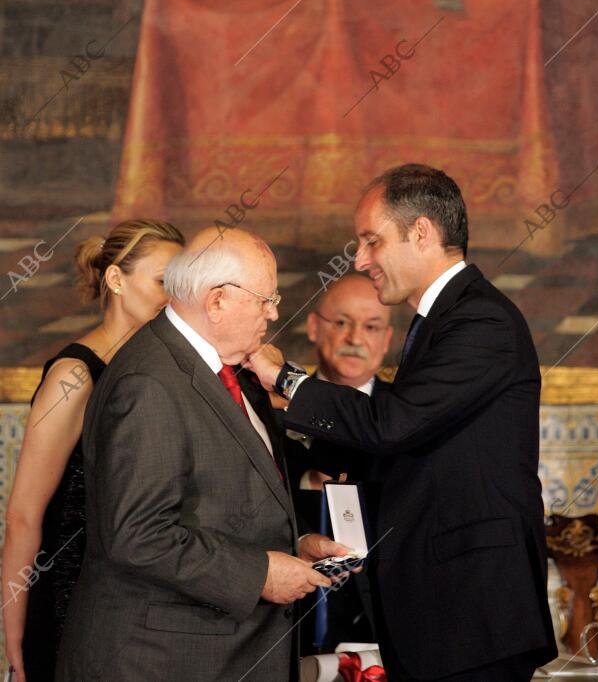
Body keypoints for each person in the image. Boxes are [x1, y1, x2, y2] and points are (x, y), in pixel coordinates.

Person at [250, 164, 558, 682]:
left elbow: (392, 425)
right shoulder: (442, 321)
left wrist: (285, 378)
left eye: (372, 241)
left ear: (421, 233)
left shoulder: (480, 320)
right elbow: (401, 451)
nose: (361, 259)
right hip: (443, 617)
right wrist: (264, 421)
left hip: (473, 617)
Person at [55, 227, 348, 682]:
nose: (273, 314)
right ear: (216, 302)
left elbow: (225, 500)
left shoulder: (231, 371)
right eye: (265, 299)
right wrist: (260, 574)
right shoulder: (148, 383)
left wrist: (297, 543)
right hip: (156, 661)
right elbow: (137, 536)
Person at [2, 219, 185, 682]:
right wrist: (15, 638)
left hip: (145, 608)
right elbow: (23, 515)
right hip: (71, 597)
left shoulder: (166, 372)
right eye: (164, 282)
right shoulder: (75, 376)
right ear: (116, 279)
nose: (175, 297)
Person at [284, 274, 393, 655]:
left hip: (391, 625)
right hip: (291, 625)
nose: (355, 338)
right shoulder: (271, 412)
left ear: (387, 339)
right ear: (314, 327)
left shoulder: (410, 418)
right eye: (342, 322)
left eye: (371, 326)